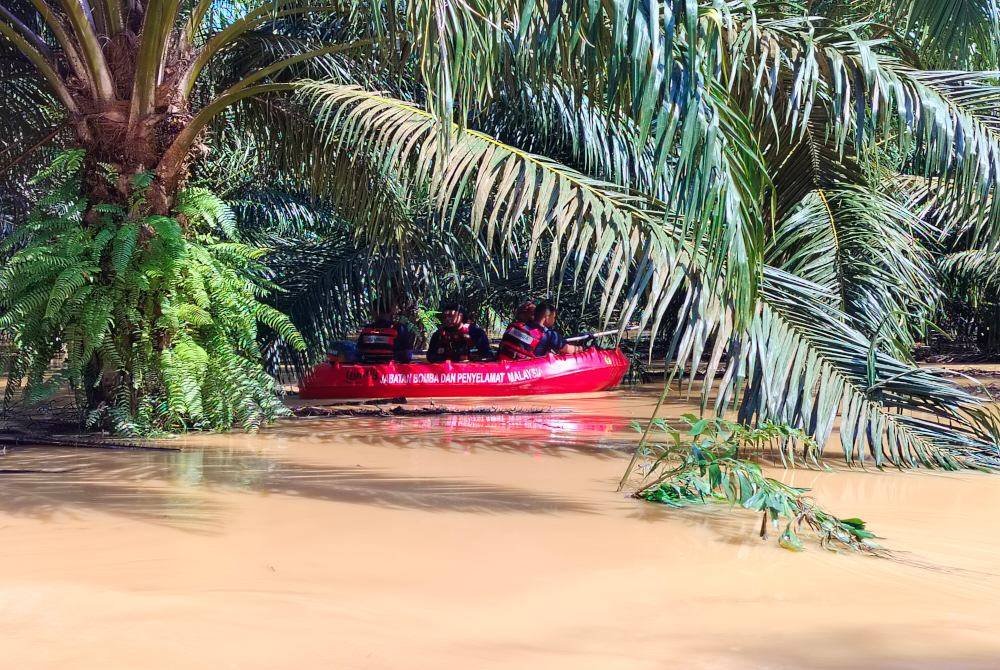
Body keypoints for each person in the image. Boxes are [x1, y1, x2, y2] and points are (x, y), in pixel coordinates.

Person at [501, 301, 580, 359]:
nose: (554, 320)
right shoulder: (549, 335)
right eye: (554, 317)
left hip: (505, 364)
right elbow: (568, 350)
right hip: (528, 371)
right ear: (547, 317)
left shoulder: (517, 327)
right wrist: (581, 348)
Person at [427, 303, 493, 362]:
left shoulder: (476, 332)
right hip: (446, 371)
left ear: (460, 316)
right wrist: (454, 358)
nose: (447, 319)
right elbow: (430, 356)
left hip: (470, 372)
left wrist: (470, 357)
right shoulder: (439, 334)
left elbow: (488, 355)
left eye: (450, 316)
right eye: (445, 316)